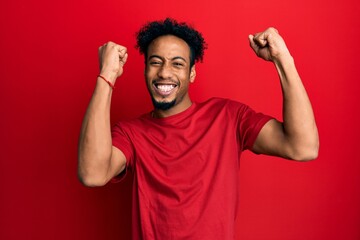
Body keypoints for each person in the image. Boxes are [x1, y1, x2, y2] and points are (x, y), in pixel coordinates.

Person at [78, 18, 319, 239]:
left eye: (177, 63)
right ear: (145, 70)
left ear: (191, 73)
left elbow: (303, 147)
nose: (164, 72)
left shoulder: (228, 117)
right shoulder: (131, 133)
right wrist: (107, 75)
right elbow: (92, 174)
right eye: (155, 62)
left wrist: (282, 59)